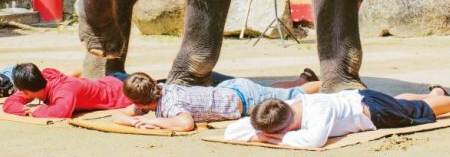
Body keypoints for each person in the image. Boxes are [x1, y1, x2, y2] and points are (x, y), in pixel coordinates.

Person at [224, 84, 450, 148]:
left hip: (374, 113)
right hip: (363, 98)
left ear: (287, 125)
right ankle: (437, 91)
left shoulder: (318, 111)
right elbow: (231, 131)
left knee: (421, 112)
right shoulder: (283, 106)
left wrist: (277, 139)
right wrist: (260, 132)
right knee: (400, 102)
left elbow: (313, 141)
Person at [111, 71, 321, 131]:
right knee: (272, 91)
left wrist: (156, 122)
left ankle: (325, 84)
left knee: (295, 95)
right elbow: (117, 114)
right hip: (231, 91)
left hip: (244, 99)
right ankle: (304, 77)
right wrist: (134, 122)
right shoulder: (160, 90)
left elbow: (185, 123)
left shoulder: (170, 104)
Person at [3, 63, 132, 118]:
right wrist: (24, 110)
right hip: (109, 80)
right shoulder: (41, 81)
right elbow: (9, 104)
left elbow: (60, 112)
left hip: (123, 89)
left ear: (25, 91)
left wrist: (37, 110)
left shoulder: (64, 91)